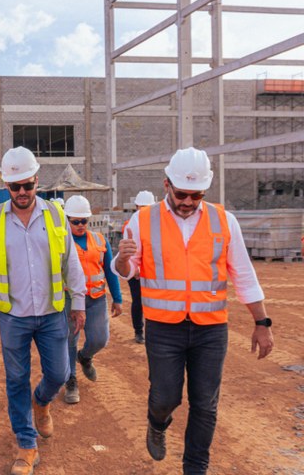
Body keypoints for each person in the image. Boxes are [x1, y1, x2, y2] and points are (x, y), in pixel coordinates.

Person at [114, 147, 273, 475]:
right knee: (165, 397)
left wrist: (262, 321)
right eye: (182, 194)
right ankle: (157, 422)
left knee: (205, 404)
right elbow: (127, 271)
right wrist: (122, 259)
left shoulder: (223, 220)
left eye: (196, 195)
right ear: (166, 185)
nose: (188, 201)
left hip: (211, 330)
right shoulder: (142, 220)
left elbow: (242, 272)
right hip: (163, 328)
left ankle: (195, 468)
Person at [0, 146, 86, 475]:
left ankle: (42, 402)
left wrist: (78, 301)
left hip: (52, 313)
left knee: (59, 374)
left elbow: (71, 261)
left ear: (37, 180)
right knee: (16, 379)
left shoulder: (54, 214)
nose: (22, 192)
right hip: (13, 316)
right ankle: (26, 445)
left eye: (27, 184)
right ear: (7, 186)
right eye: (15, 186)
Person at [61, 195, 123, 404]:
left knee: (100, 339)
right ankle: (71, 380)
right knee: (69, 340)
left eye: (84, 221)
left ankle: (85, 357)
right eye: (75, 221)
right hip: (70, 300)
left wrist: (117, 298)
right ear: (67, 220)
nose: (80, 225)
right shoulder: (60, 242)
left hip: (96, 299)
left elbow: (110, 271)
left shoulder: (99, 240)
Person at [122, 190, 157, 345]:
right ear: (136, 207)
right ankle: (138, 331)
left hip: (151, 270)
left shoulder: (158, 225)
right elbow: (129, 249)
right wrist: (135, 269)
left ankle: (152, 331)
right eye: (142, 207)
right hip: (135, 271)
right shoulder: (130, 225)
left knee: (153, 302)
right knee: (138, 300)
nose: (144, 211)